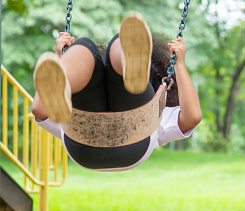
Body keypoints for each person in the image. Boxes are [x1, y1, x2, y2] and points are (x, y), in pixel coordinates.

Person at [31, 12, 202, 172]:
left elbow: (39, 110)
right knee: (115, 45)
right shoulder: (159, 113)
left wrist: (61, 57)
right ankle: (122, 59)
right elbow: (192, 117)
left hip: (82, 146)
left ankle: (66, 78)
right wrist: (179, 65)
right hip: (134, 145)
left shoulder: (66, 111)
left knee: (84, 46)